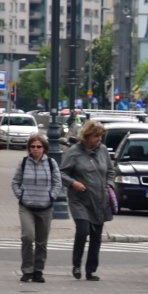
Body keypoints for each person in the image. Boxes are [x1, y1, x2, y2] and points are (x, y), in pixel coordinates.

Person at [60, 118, 115, 281]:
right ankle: (76, 264)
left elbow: (111, 172)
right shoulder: (74, 151)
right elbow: (62, 173)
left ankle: (91, 270)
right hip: (80, 199)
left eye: (100, 137)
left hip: (99, 199)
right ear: (87, 136)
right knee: (83, 231)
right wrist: (73, 183)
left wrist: (109, 185)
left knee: (96, 235)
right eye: (95, 136)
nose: (98, 140)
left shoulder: (103, 150)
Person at [10, 132, 61, 283]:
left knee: (41, 241)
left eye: (39, 146)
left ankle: (38, 270)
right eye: (32, 146)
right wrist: (21, 195)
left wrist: (52, 196)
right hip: (27, 206)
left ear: (44, 148)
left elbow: (58, 183)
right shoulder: (24, 163)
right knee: (27, 237)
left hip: (45, 207)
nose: (35, 149)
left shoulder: (51, 163)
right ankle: (27, 270)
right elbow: (15, 182)